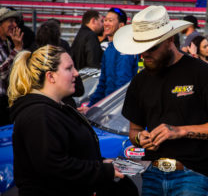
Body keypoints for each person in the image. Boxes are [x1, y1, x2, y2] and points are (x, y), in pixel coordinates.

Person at [113, 5, 208, 195]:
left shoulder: (201, 72)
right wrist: (141, 139)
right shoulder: (140, 80)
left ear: (170, 39)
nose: (144, 54)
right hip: (152, 174)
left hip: (191, 176)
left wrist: (179, 131)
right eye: (141, 48)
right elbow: (134, 131)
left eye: (151, 48)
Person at [7, 44, 140, 196]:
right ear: (51, 76)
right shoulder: (39, 115)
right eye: (69, 68)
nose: (76, 73)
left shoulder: (56, 108)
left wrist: (100, 163)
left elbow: (70, 154)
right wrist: (101, 170)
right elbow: (54, 167)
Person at [78, 8, 139, 113]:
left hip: (119, 111)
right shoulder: (109, 49)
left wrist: (107, 110)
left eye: (110, 20)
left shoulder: (125, 48)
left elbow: (122, 85)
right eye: (105, 20)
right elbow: (102, 84)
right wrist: (90, 106)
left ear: (121, 25)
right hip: (109, 108)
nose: (106, 23)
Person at [34, 19, 84, 108]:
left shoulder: (32, 58)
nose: (75, 73)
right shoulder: (61, 54)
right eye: (68, 68)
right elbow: (79, 89)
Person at [0, 7, 23, 126]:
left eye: (15, 21)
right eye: (10, 21)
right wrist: (17, 49)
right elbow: (2, 73)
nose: (14, 25)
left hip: (7, 101)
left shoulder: (7, 43)